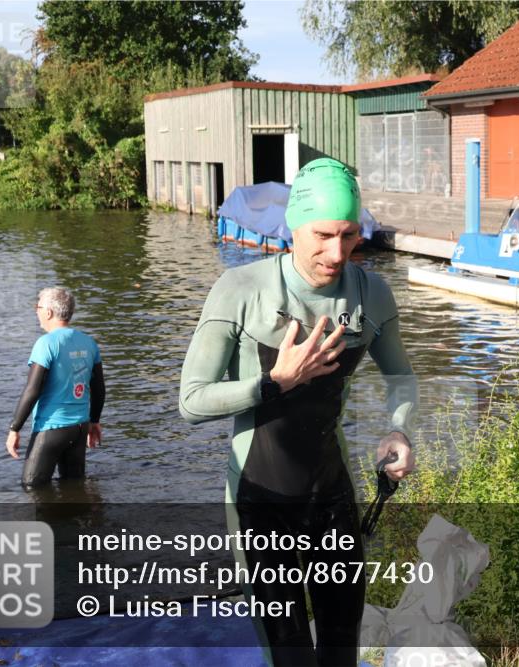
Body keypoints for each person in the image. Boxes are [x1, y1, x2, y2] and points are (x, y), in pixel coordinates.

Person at [179, 158, 418, 667]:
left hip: (333, 496)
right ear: (294, 226)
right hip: (260, 500)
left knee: (340, 646)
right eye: (323, 235)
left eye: (350, 234)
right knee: (289, 654)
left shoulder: (371, 293)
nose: (337, 253)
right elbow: (192, 400)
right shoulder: (241, 290)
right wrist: (275, 382)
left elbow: (400, 377)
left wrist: (399, 431)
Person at [6, 287, 105, 488]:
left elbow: (32, 389)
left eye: (38, 307)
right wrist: (94, 421)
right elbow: (99, 387)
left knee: (32, 488)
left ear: (49, 312)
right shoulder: (88, 342)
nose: (36, 312)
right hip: (79, 427)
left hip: (51, 428)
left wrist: (14, 428)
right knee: (74, 488)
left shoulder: (46, 344)